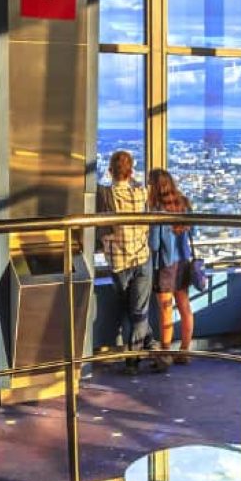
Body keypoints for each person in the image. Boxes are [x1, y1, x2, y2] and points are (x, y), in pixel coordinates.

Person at [97, 150, 166, 374]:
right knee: (138, 311)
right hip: (141, 258)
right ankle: (152, 351)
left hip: (118, 262)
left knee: (135, 310)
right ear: (131, 171)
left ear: (110, 171)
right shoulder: (140, 193)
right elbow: (140, 186)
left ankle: (134, 359)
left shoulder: (106, 195)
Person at [146, 168, 196, 366]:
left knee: (166, 310)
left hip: (166, 265)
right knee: (184, 307)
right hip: (183, 261)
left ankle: (165, 352)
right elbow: (194, 231)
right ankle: (185, 350)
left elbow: (154, 244)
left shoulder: (158, 210)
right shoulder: (184, 203)